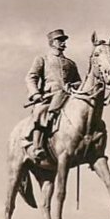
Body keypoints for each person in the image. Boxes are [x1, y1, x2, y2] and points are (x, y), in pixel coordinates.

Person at [25, 29, 81, 160]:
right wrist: (35, 94)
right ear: (52, 43)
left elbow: (78, 81)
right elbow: (31, 77)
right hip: (49, 97)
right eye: (59, 40)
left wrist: (75, 86)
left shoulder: (71, 64)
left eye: (64, 40)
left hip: (68, 96)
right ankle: (37, 146)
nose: (63, 43)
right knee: (41, 112)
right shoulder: (43, 59)